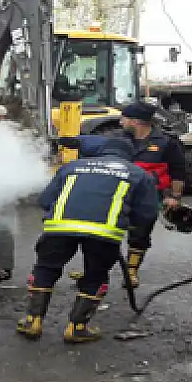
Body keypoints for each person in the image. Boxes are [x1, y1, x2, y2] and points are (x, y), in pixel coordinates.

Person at [17, 138, 159, 343]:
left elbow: (45, 200)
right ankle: (77, 327)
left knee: (45, 269)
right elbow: (146, 214)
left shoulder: (72, 167)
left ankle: (33, 321)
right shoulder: (138, 174)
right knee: (95, 275)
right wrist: (131, 228)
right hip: (104, 233)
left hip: (59, 227)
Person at [104, 102, 187, 288]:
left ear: (135, 121)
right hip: (117, 194)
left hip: (148, 196)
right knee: (105, 233)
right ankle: (95, 271)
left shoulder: (167, 143)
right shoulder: (116, 139)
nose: (120, 122)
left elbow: (178, 171)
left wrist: (175, 197)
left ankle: (131, 272)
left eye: (123, 118)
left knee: (139, 234)